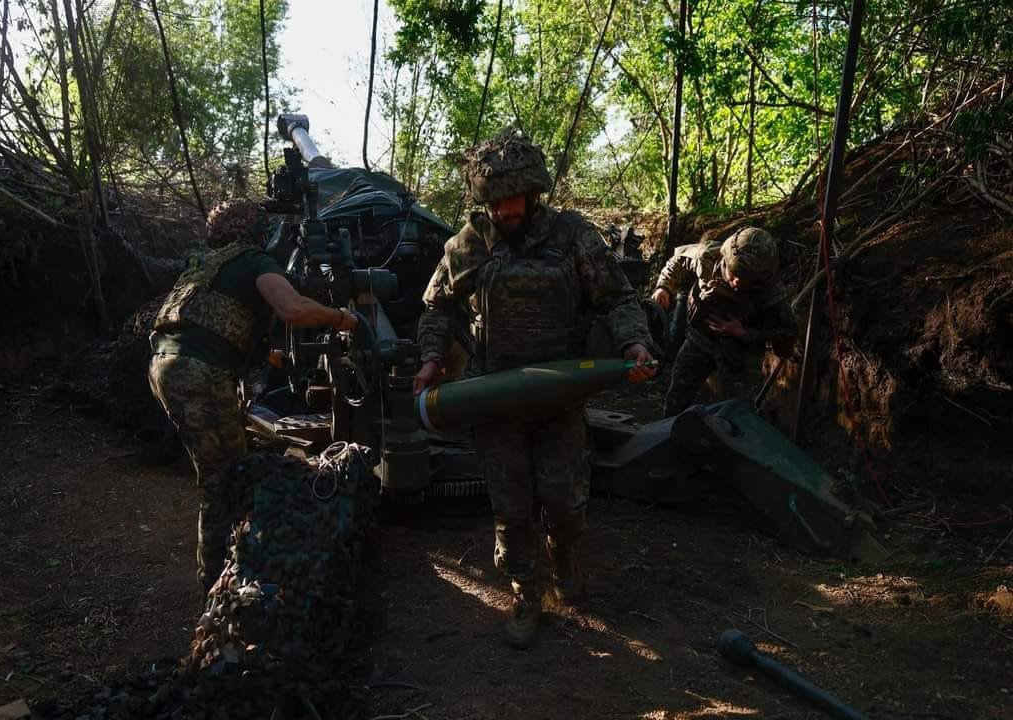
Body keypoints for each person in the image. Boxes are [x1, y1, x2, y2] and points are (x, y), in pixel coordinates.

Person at [414, 128, 658, 649]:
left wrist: (635, 343)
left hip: (558, 395)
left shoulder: (574, 238)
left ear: (534, 192)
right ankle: (527, 589)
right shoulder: (468, 244)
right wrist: (432, 358)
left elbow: (617, 298)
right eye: (495, 200)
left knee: (566, 501)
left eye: (513, 198)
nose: (505, 209)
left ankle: (565, 553)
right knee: (512, 505)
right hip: (496, 398)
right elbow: (438, 307)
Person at [148, 198, 358, 594]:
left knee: (228, 460)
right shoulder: (252, 260)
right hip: (197, 371)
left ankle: (226, 562)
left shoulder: (206, 265)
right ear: (258, 233)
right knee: (223, 477)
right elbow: (292, 308)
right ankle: (216, 582)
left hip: (164, 364)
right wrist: (342, 319)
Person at [650, 226, 797, 418]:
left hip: (740, 355)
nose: (736, 282)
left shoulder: (771, 293)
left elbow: (787, 333)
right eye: (734, 274)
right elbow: (678, 261)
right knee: (677, 399)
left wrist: (744, 333)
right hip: (699, 341)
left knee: (737, 413)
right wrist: (663, 287)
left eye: (746, 280)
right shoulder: (708, 258)